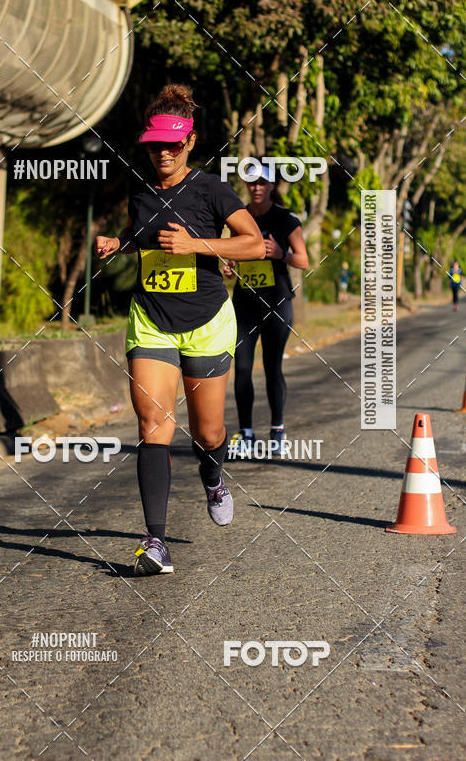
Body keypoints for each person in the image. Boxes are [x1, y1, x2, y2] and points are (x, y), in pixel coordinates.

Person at [94, 84, 265, 576]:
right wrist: (119, 244)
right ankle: (155, 543)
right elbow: (144, 235)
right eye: (155, 144)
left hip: (208, 324)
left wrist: (198, 246)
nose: (163, 152)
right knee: (153, 425)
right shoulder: (141, 193)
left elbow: (253, 244)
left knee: (209, 433)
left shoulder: (212, 190)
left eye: (173, 144)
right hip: (151, 322)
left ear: (189, 142)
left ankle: (212, 474)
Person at [225, 164, 308, 459]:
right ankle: (245, 433)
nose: (256, 187)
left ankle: (277, 430)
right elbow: (232, 251)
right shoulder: (239, 217)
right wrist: (230, 264)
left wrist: (281, 254)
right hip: (245, 302)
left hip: (276, 302)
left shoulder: (284, 219)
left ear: (272, 186)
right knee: (243, 368)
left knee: (273, 367)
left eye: (262, 182)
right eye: (251, 182)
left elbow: (304, 260)